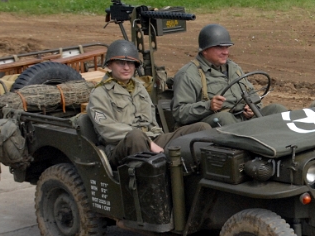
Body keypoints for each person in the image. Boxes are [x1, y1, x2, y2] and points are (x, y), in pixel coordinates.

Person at [89, 40, 211, 168]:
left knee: (202, 129)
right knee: (136, 136)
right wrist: (147, 141)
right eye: (120, 63)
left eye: (131, 63)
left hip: (151, 138)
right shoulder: (100, 93)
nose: (126, 67)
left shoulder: (140, 88)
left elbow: (152, 121)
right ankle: (151, 184)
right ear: (109, 65)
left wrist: (157, 139)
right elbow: (107, 130)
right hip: (120, 146)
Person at [171, 24, 287, 127]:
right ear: (205, 50)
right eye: (219, 47)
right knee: (225, 118)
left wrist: (252, 107)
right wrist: (208, 106)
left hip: (242, 119)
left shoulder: (234, 68)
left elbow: (251, 92)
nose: (225, 52)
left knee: (277, 109)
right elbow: (179, 113)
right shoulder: (188, 74)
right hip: (215, 124)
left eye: (227, 47)